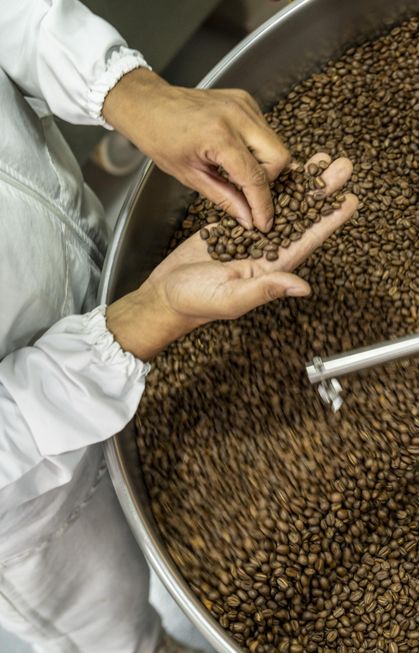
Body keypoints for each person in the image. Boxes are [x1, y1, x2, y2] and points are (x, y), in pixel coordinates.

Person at [0, 1, 358, 651]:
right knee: (118, 632)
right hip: (30, 507)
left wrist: (126, 91)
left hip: (87, 278)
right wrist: (142, 320)